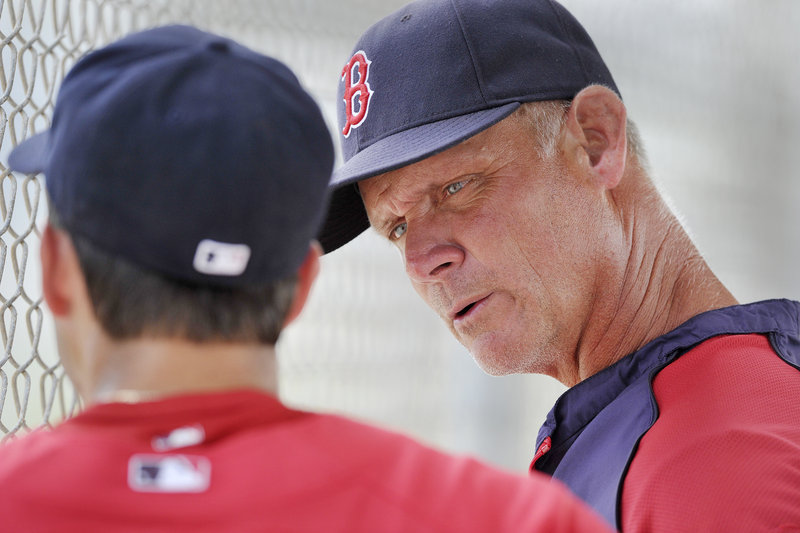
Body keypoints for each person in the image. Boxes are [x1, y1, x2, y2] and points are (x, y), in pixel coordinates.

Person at [0, 24, 613, 533]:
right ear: (299, 286)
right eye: (397, 227)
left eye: (456, 188)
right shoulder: (510, 520)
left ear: (54, 270)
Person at [318, 0, 800, 531]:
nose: (423, 261)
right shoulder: (684, 414)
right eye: (398, 228)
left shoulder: (711, 463)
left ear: (595, 140)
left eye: (456, 187)